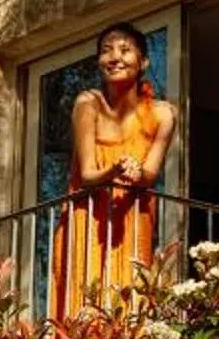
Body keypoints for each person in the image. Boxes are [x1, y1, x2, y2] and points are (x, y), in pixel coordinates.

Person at [55, 22, 180, 317]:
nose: (115, 58)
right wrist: (113, 171)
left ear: (143, 62)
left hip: (132, 217)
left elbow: (150, 173)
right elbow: (87, 174)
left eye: (125, 50)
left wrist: (138, 175)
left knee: (129, 296)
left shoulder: (162, 113)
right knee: (85, 296)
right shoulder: (88, 103)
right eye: (106, 51)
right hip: (88, 217)